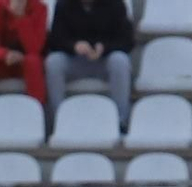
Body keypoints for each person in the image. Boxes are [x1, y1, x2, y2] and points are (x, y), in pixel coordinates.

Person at [44, 0, 134, 128]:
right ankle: (58, 119)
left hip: (104, 61)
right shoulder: (63, 4)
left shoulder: (116, 4)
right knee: (53, 62)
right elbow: (55, 40)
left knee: (120, 61)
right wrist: (73, 46)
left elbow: (127, 41)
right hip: (75, 60)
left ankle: (121, 120)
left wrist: (104, 48)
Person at [0, 0, 47, 122]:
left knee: (33, 62)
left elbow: (35, 48)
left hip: (25, 62)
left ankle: (37, 117)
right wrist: (4, 54)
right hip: (1, 62)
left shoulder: (39, 8)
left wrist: (20, 17)